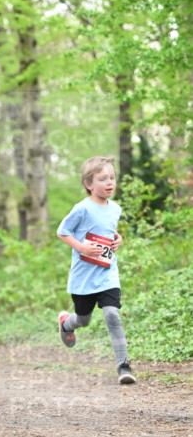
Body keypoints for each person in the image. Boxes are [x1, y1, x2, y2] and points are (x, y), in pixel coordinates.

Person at [57, 156, 136, 385]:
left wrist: (117, 239)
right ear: (88, 184)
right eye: (103, 179)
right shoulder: (81, 209)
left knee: (112, 314)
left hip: (107, 273)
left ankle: (124, 365)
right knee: (84, 319)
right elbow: (62, 232)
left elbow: (109, 231)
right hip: (84, 276)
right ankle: (66, 323)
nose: (110, 183)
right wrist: (81, 246)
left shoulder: (116, 209)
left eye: (112, 178)